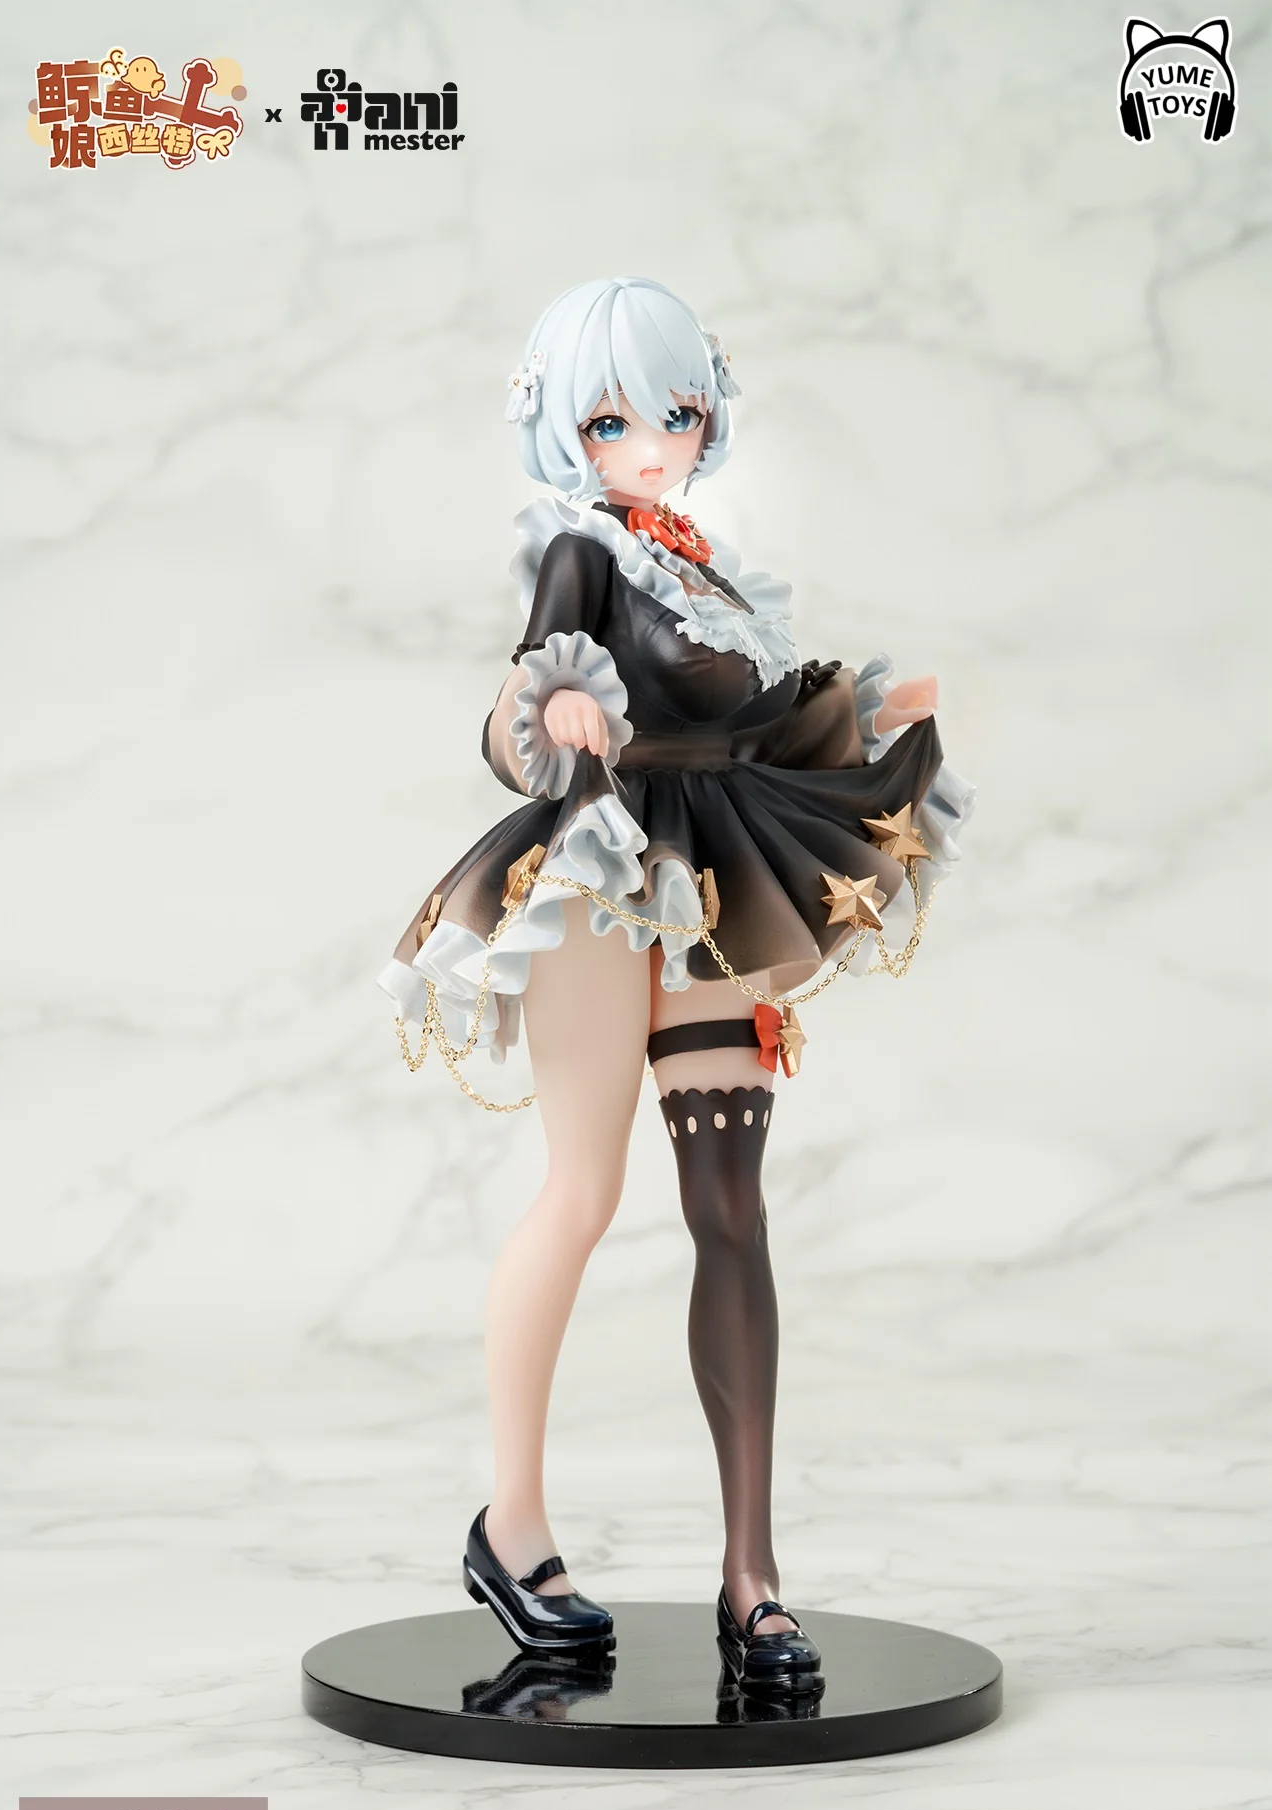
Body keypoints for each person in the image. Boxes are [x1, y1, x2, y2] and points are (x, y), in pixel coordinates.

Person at [379, 277, 973, 1694]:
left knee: (730, 1208)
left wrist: (873, 724)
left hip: (709, 889)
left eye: (676, 411)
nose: (649, 443)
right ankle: (510, 1525)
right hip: (602, 880)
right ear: (564, 430)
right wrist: (550, 712)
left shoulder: (710, 576)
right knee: (583, 1191)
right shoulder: (580, 552)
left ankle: (751, 1579)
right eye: (611, 420)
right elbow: (512, 713)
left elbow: (762, 727)